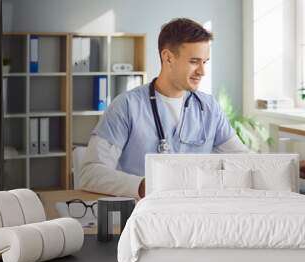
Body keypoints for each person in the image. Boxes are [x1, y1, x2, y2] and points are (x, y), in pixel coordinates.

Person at [79, 18, 249, 199]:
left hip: (197, 212)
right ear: (167, 57)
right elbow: (90, 174)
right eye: (194, 61)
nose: (202, 71)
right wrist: (146, 186)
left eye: (204, 62)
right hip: (145, 213)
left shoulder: (209, 108)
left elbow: (243, 160)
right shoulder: (126, 107)